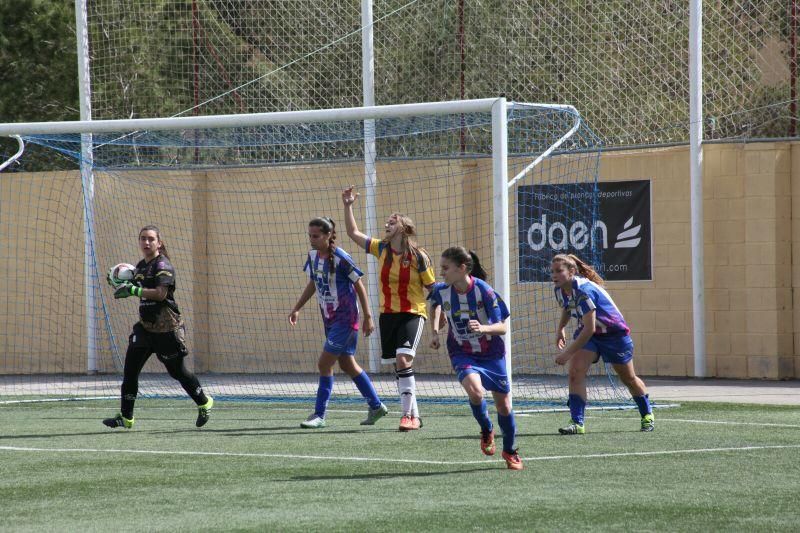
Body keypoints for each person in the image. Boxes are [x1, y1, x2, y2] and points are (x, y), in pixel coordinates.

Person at [342, 186, 435, 431]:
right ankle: (414, 415)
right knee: (399, 365)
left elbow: (433, 288)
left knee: (404, 359)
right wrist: (348, 205)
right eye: (386, 223)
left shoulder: (418, 256)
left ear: (403, 227)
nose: (387, 225)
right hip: (388, 315)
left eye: (391, 222)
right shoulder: (380, 249)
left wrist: (440, 317)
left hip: (413, 313)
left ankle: (407, 416)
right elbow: (353, 232)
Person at [103, 225, 213, 429]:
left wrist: (133, 290)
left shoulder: (163, 265)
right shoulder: (140, 266)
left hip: (166, 329)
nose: (146, 242)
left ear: (159, 243)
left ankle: (204, 402)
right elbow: (133, 284)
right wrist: (118, 280)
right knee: (130, 372)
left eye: (151, 239)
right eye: (143, 238)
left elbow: (161, 294)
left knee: (178, 372)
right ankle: (126, 417)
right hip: (145, 328)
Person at [428, 247, 523, 470]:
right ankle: (486, 428)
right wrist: (434, 330)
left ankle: (509, 450)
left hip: (492, 354)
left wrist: (483, 327)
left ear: (462, 268)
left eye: (445, 268)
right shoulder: (442, 290)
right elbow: (432, 305)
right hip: (461, 351)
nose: (442, 273)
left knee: (505, 406)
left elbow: (502, 327)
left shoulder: (485, 292)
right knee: (476, 391)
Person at [288, 217, 388, 428]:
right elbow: (313, 283)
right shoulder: (313, 256)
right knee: (346, 363)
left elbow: (359, 285)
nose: (312, 240)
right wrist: (297, 308)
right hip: (330, 320)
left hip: (346, 319)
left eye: (315, 236)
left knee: (324, 363)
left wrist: (368, 317)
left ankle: (319, 415)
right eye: (310, 236)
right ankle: (376, 405)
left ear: (328, 235)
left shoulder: (341, 258)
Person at [551, 253, 654, 434]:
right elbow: (568, 307)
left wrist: (567, 353)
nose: (554, 275)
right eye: (552, 271)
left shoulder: (584, 290)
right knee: (575, 373)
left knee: (628, 378)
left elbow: (589, 328)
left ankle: (647, 414)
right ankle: (577, 423)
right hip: (590, 336)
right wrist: (561, 328)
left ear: (572, 271)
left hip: (614, 336)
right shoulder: (559, 289)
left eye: (559, 271)